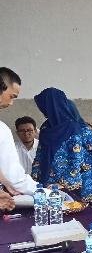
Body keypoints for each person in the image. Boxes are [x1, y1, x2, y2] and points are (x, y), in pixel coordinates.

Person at [31, 88, 92, 204]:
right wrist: (35, 178)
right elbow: (40, 154)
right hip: (51, 183)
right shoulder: (46, 128)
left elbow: (83, 156)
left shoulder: (76, 128)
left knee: (78, 211)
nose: (43, 110)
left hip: (76, 183)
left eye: (44, 106)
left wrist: (81, 169)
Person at [0, 67, 38, 195]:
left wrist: (4, 180)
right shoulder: (2, 130)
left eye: (30, 130)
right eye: (12, 96)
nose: (11, 103)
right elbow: (16, 180)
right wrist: (45, 192)